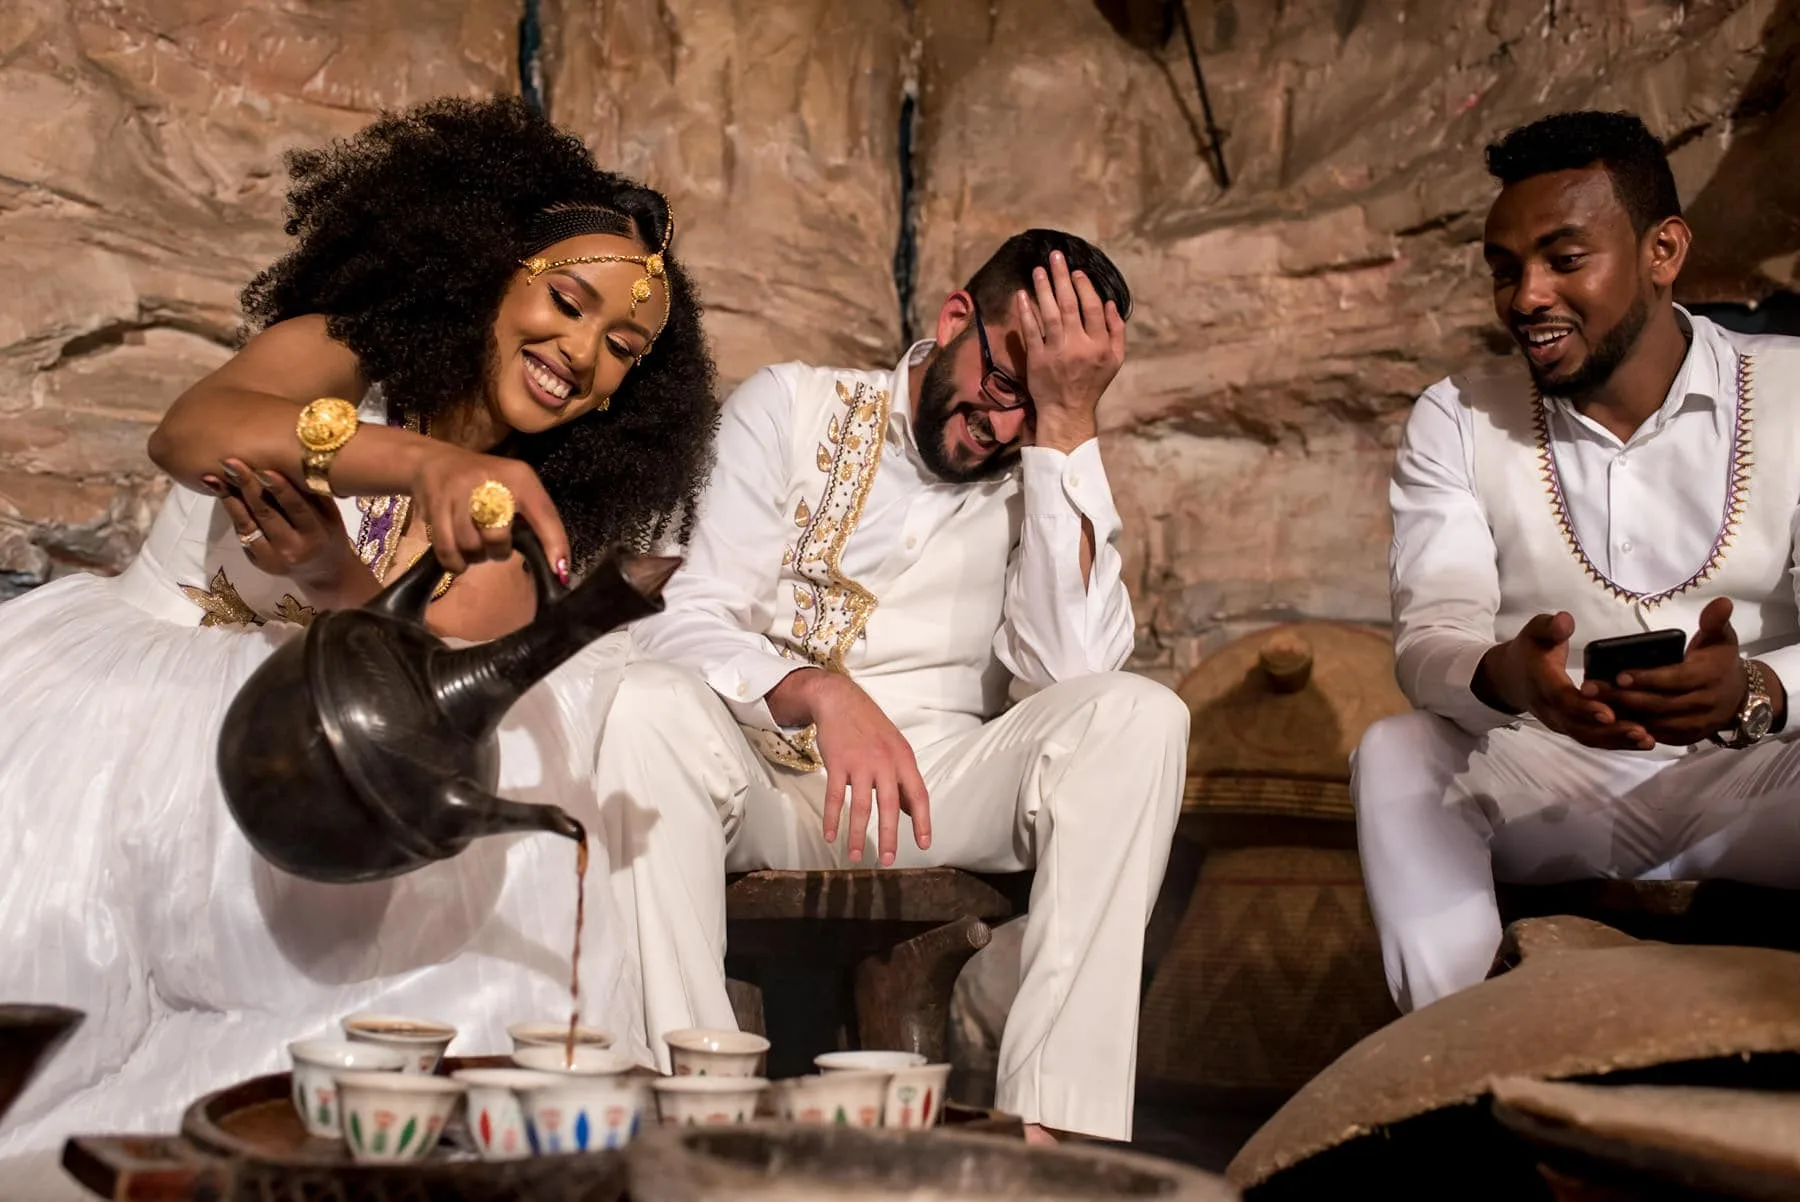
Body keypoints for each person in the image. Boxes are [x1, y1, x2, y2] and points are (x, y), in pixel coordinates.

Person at [0, 96, 717, 1182]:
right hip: (110, 724)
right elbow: (189, 434)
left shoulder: (521, 529)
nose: (580, 351)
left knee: (472, 948)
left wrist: (332, 571)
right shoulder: (341, 351)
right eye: (567, 301)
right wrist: (430, 465)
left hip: (306, 777)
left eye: (621, 348)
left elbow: (413, 710)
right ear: (490, 271)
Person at [593, 230, 1189, 1143]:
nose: (1004, 428)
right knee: (642, 705)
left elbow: (1070, 676)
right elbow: (685, 616)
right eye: (1005, 385)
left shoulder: (1043, 468)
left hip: (931, 792)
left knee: (1140, 717)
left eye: (1039, 405)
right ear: (954, 320)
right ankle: (696, 1114)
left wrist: (1065, 434)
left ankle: (1052, 1141)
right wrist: (819, 692)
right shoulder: (791, 405)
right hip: (761, 778)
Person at [1353, 110, 1800, 1013]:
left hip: (1759, 778)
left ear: (1663, 250)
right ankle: (1460, 1062)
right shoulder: (1457, 416)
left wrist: (1756, 688)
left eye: (1564, 259)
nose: (1526, 297)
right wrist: (1508, 677)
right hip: (1554, 780)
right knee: (1397, 754)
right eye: (1505, 269)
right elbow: (1432, 635)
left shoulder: (1793, 390)